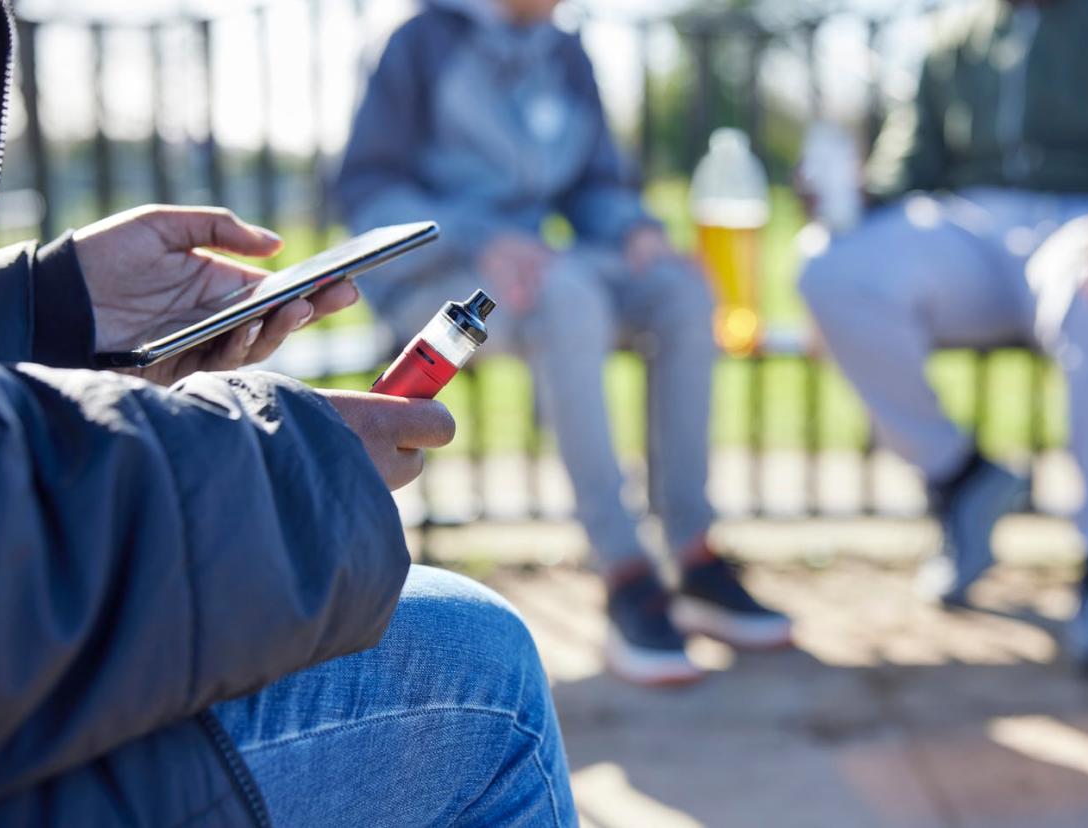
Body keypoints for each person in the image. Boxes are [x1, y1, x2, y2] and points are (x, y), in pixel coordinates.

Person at [0, 3, 575, 824]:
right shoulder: (425, 44)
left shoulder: (564, 51)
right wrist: (294, 463)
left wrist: (44, 308)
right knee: (479, 673)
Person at [336, 0, 792, 686]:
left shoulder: (567, 54)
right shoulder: (418, 43)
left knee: (680, 289)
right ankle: (625, 572)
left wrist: (634, 228)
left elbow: (594, 188)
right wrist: (481, 235)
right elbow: (367, 193)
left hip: (544, 268)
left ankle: (694, 554)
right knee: (570, 295)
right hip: (438, 277)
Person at [799, 0, 1088, 678]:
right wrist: (852, 196)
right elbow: (909, 166)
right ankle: (962, 479)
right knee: (831, 267)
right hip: (971, 227)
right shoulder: (952, 30)